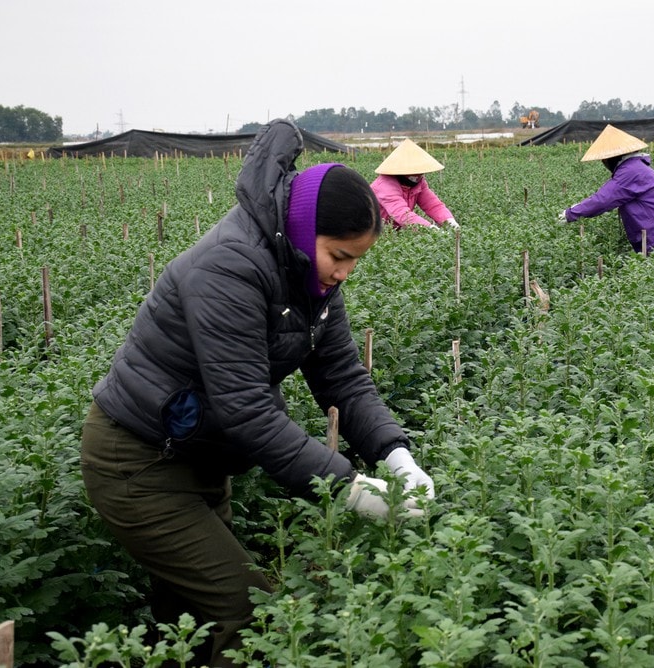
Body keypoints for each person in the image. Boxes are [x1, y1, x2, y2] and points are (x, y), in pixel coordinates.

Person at [80, 119, 434, 667]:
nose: (345, 272)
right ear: (300, 228)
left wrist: (394, 453)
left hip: (199, 455)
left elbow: (342, 376)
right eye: (340, 255)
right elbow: (246, 410)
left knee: (189, 621)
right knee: (252, 612)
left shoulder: (307, 276)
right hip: (139, 463)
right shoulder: (230, 268)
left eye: (356, 260)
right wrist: (351, 488)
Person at [560, 124, 654, 253]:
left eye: (604, 159)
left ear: (613, 157)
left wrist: (569, 214)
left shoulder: (631, 171)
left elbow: (602, 200)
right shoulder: (635, 167)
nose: (604, 163)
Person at [370, 139, 459, 230]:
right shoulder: (385, 186)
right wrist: (430, 229)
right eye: (414, 173)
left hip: (396, 230)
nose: (418, 176)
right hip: (372, 232)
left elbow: (432, 205)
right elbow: (402, 214)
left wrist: (449, 222)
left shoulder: (418, 182)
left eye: (420, 173)